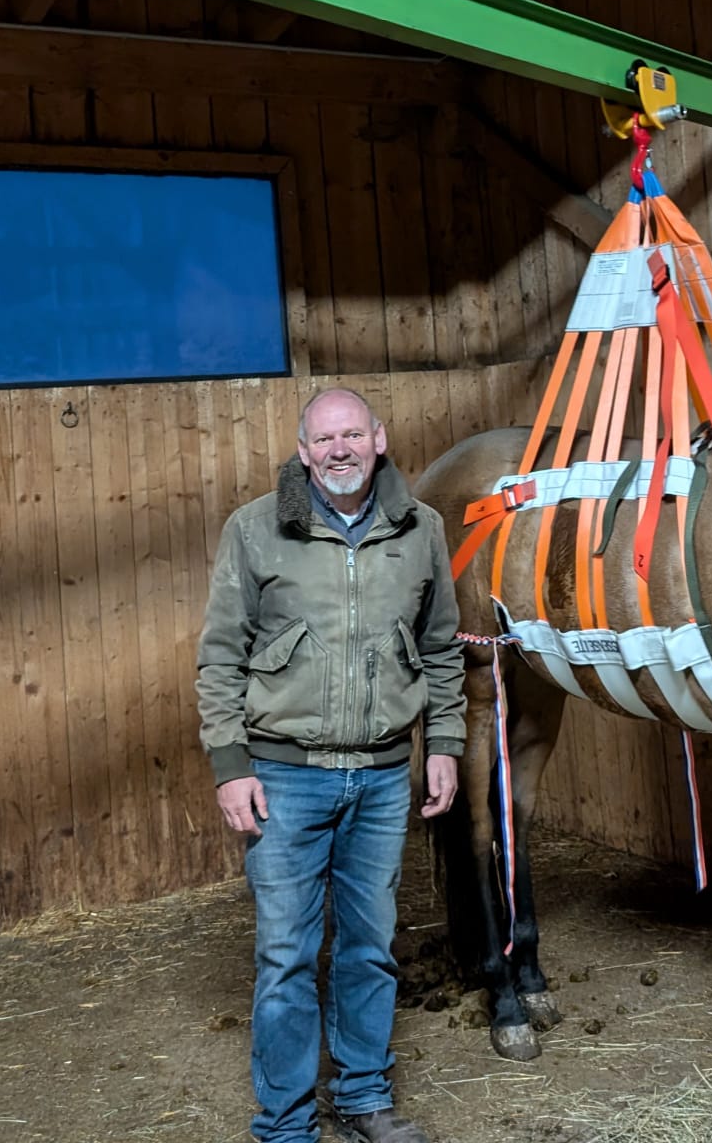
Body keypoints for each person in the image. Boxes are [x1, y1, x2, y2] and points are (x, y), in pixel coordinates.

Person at [197, 387, 466, 1143]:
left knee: (370, 946)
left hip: (382, 776)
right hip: (283, 776)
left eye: (352, 434)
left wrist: (443, 745)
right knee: (285, 954)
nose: (339, 449)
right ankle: (284, 1126)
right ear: (303, 450)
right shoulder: (254, 530)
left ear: (379, 438)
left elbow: (443, 648)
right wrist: (230, 765)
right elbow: (220, 657)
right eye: (324, 439)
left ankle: (363, 1097)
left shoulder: (422, 530)